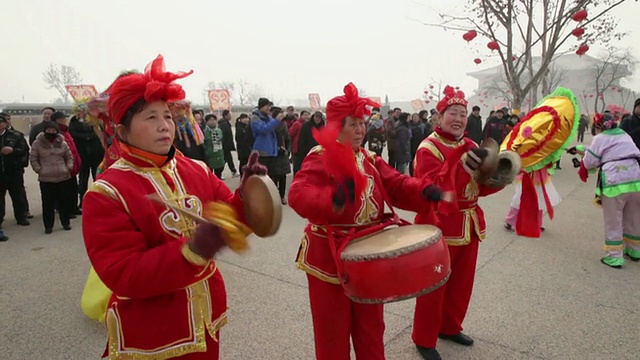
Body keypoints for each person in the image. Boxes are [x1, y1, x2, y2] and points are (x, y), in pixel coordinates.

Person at [82, 55, 267, 360]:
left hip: (205, 318)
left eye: (167, 116)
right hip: (154, 333)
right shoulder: (107, 192)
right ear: (122, 129)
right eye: (150, 117)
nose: (164, 126)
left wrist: (249, 197)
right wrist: (192, 250)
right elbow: (122, 274)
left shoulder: (195, 169)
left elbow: (231, 220)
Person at [289, 83, 446, 360]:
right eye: (353, 124)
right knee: (332, 329)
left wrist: (423, 191)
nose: (361, 130)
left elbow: (396, 184)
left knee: (372, 326)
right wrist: (332, 200)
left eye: (362, 123)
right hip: (329, 257)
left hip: (371, 255)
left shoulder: (369, 158)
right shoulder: (320, 157)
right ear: (337, 127)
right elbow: (299, 194)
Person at [412, 85, 505, 360]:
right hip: (440, 224)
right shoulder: (429, 148)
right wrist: (464, 168)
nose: (459, 118)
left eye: (463, 114)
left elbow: (481, 187)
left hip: (469, 224)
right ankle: (424, 337)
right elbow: (433, 188)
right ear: (438, 118)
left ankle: (450, 326)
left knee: (462, 283)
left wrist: (501, 176)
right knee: (433, 285)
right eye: (452, 113)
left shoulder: (471, 145)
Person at [574, 113, 640, 268]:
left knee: (613, 219)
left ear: (598, 126)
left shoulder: (599, 138)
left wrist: (583, 157)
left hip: (614, 182)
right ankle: (635, 250)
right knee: (634, 217)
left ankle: (614, 256)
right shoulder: (624, 135)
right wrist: (582, 149)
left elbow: (590, 162)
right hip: (635, 179)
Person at [29, 121, 75, 234]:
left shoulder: (62, 143)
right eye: (49, 130)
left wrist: (68, 168)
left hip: (63, 176)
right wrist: (40, 170)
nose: (51, 133)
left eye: (53, 131)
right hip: (46, 178)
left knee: (64, 202)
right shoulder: (37, 144)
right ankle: (48, 226)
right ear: (44, 131)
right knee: (48, 203)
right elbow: (33, 159)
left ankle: (66, 222)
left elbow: (69, 157)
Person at [69, 104, 105, 208]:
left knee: (97, 177)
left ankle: (99, 199)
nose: (83, 112)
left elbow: (99, 132)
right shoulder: (74, 121)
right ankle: (83, 200)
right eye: (81, 110)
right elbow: (73, 133)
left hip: (96, 153)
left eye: (85, 110)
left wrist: (89, 136)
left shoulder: (94, 120)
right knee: (83, 179)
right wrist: (88, 137)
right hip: (82, 154)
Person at [0, 115, 30, 228]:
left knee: (18, 195)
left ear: (5, 124)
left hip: (14, 171)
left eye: (1, 122)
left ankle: (21, 217)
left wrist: (12, 150)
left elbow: (24, 150)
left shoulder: (16, 135)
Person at [52, 111, 83, 217]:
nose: (65, 119)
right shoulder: (57, 132)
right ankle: (66, 210)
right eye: (62, 118)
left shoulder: (66, 131)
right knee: (65, 191)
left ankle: (73, 208)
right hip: (63, 166)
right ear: (57, 120)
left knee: (73, 188)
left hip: (72, 164)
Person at [272, 107, 291, 204]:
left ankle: (282, 196)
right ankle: (275, 197)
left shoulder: (284, 125)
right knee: (274, 176)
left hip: (283, 153)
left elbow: (288, 139)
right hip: (273, 153)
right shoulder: (271, 125)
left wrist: (287, 150)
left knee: (283, 176)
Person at [203, 114, 225, 178]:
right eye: (210, 120)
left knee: (218, 175)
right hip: (210, 156)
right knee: (209, 176)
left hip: (219, 155)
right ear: (206, 122)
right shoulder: (204, 132)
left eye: (214, 120)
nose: (213, 121)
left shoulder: (219, 131)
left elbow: (222, 142)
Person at [289, 110, 310, 175]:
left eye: (307, 115)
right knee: (297, 166)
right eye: (305, 115)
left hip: (305, 148)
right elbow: (290, 134)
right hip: (297, 148)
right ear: (301, 115)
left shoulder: (308, 124)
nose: (306, 116)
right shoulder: (297, 124)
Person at [219, 110, 238, 178]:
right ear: (226, 115)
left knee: (228, 159)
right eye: (229, 115)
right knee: (225, 159)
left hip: (226, 145)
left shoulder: (225, 123)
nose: (231, 116)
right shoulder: (224, 124)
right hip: (225, 145)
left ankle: (233, 171)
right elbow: (225, 135)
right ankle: (219, 173)